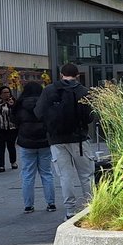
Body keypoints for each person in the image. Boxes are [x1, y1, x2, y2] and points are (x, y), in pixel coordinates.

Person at [35, 63, 96, 218]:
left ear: (61, 74)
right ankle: (91, 207)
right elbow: (90, 117)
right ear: (77, 75)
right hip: (79, 140)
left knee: (65, 176)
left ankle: (70, 211)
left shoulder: (49, 90)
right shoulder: (83, 91)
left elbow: (39, 112)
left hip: (56, 140)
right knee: (86, 175)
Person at [12, 81, 56, 214]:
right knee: (47, 173)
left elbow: (14, 120)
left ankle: (28, 205)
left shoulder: (19, 105)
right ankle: (51, 203)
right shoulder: (45, 103)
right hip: (44, 142)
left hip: (26, 143)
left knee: (27, 174)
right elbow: (51, 120)